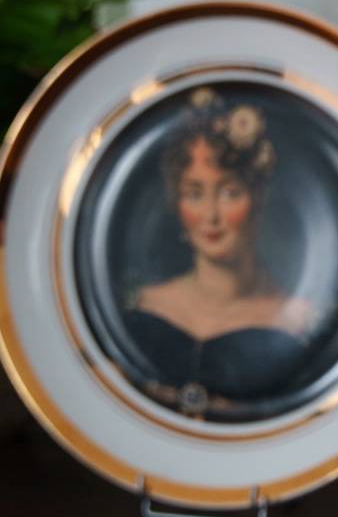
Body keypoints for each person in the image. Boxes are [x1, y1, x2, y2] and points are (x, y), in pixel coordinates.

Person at [124, 87, 321, 418]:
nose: (211, 216)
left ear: (258, 199)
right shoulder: (142, 303)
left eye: (230, 192)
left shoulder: (301, 321)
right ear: (177, 202)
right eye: (195, 193)